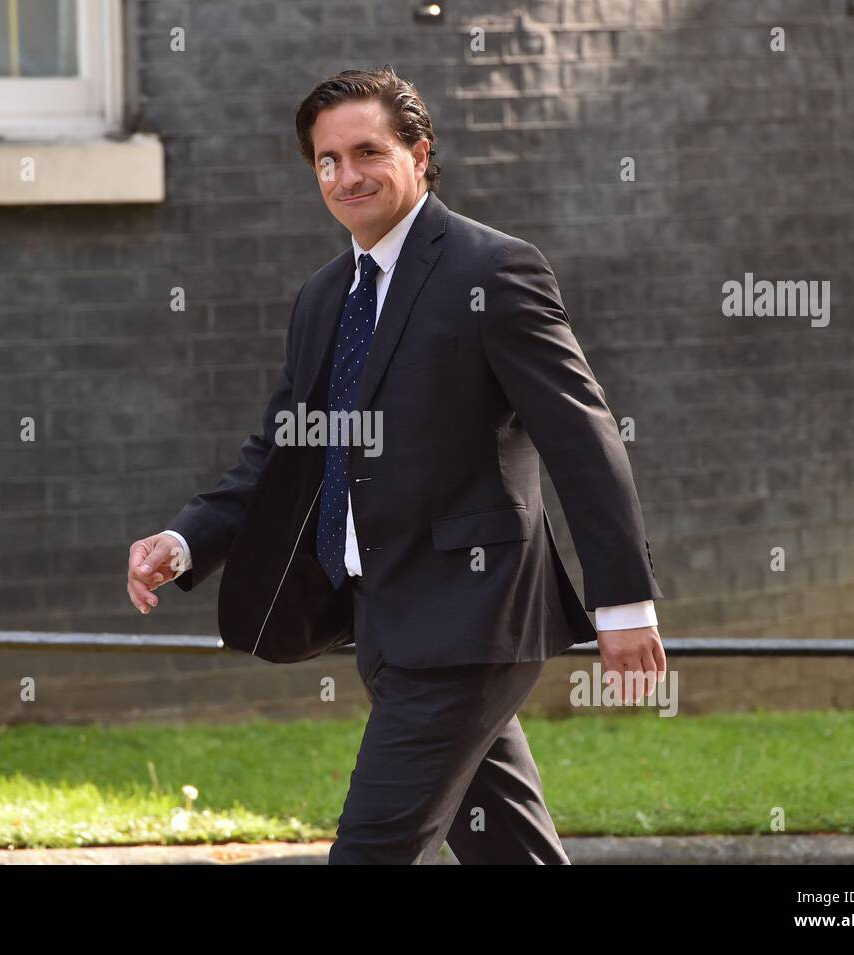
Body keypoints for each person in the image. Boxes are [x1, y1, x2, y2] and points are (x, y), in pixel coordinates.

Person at [126, 66, 665, 864]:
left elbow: (582, 436)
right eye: (326, 161)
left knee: (371, 847)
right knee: (509, 848)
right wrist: (187, 540)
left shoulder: (494, 270)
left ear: (418, 152)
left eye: (366, 152)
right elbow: (283, 447)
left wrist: (624, 603)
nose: (346, 176)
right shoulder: (321, 298)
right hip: (381, 620)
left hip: (473, 619)